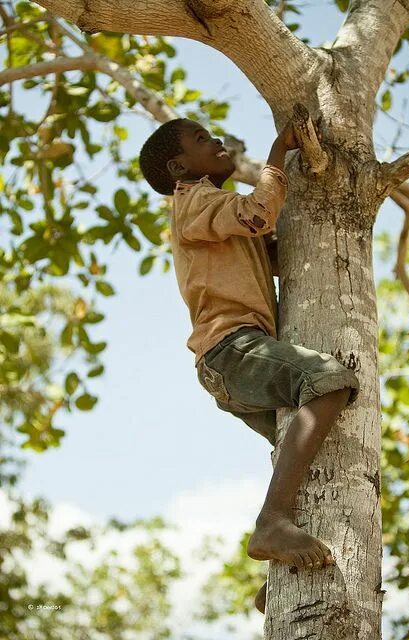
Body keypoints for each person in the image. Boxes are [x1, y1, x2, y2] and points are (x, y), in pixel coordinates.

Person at [139, 118, 360, 609]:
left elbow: (265, 243)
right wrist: (278, 154)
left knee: (303, 450)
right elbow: (258, 213)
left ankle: (276, 578)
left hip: (233, 361)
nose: (216, 140)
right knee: (327, 381)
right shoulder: (195, 201)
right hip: (231, 349)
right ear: (179, 168)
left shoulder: (214, 213)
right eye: (201, 140)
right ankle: (272, 522)